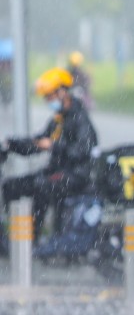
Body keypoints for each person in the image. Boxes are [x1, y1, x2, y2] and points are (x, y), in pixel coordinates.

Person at [2, 67, 98, 239]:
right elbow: (38, 143)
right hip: (55, 172)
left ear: (62, 92)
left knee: (43, 185)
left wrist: (54, 146)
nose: (48, 100)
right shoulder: (57, 119)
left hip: (75, 175)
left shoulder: (79, 117)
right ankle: (12, 235)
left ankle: (36, 238)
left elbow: (83, 150)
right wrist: (12, 145)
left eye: (50, 96)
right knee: (12, 186)